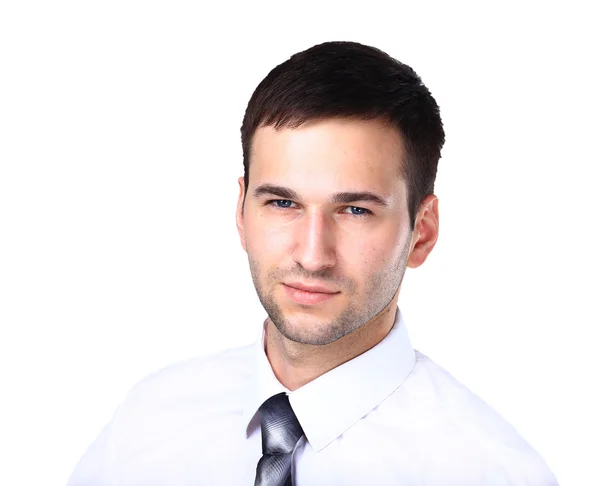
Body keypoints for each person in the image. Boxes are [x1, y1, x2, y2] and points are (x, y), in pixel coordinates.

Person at [68, 41, 558, 486]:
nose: (311, 254)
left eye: (355, 210)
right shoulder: (147, 423)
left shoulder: (490, 472)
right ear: (241, 212)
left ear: (422, 231)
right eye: (282, 203)